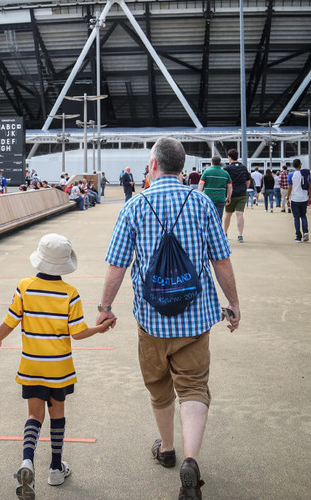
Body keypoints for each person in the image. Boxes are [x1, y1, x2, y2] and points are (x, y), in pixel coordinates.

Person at [96, 137, 240, 500]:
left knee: (159, 388)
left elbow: (117, 264)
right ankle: (191, 462)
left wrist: (105, 307)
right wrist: (233, 303)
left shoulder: (134, 206)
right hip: (196, 318)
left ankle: (168, 450)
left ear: (154, 164)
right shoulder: (203, 202)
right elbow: (220, 260)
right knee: (193, 388)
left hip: (152, 319)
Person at [0, 233, 115, 500]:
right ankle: (55, 468)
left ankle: (27, 461)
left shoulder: (24, 287)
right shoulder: (70, 294)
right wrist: (99, 329)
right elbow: (77, 333)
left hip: (31, 366)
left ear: (40, 260)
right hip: (59, 369)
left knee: (34, 416)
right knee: (57, 417)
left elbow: (10, 323)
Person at [223, 149, 251, 243]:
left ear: (229, 157)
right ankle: (240, 235)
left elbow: (225, 182)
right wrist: (244, 189)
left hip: (230, 195)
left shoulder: (227, 168)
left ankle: (225, 233)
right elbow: (248, 181)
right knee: (239, 214)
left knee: (228, 214)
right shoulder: (243, 167)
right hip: (242, 194)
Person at [198, 155, 232, 221]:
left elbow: (201, 183)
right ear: (219, 163)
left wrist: (200, 195)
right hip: (220, 198)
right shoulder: (225, 173)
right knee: (218, 219)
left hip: (208, 198)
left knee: (207, 218)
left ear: (212, 162)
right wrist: (228, 197)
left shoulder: (206, 172)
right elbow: (230, 187)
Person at [287, 158, 311, 242]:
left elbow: (290, 187)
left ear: (293, 165)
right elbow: (309, 186)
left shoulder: (291, 174)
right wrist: (309, 197)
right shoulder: (306, 174)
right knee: (303, 215)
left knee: (296, 217)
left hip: (295, 198)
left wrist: (287, 197)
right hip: (304, 198)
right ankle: (306, 232)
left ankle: (298, 236)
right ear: (300, 164)